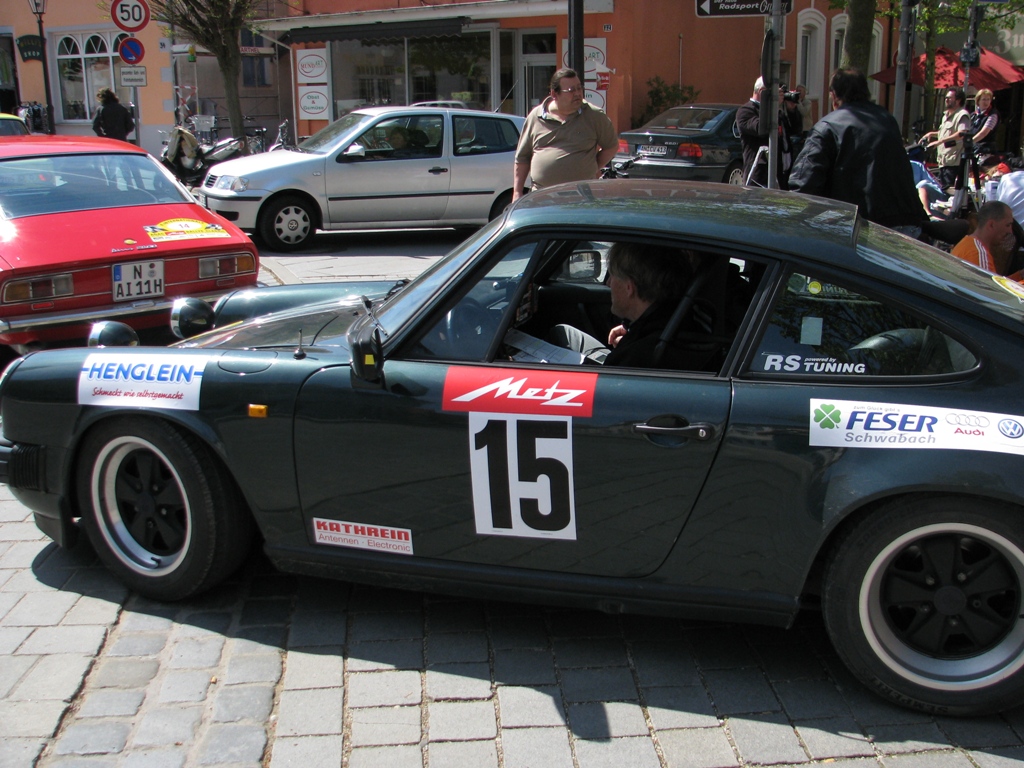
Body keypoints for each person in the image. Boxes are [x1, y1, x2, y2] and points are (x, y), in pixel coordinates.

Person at [788, 68, 927, 236]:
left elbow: (803, 185)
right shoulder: (887, 120)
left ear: (834, 95)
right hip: (907, 223)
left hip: (861, 228)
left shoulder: (827, 127)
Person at [549, 242, 713, 369]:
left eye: (612, 276)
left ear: (629, 288)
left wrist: (630, 344)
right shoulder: (683, 314)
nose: (608, 283)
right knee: (564, 332)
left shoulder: (636, 354)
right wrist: (632, 331)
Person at [512, 68, 618, 201]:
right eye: (571, 90)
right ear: (554, 94)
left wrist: (593, 166)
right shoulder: (536, 116)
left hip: (582, 198)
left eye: (579, 88)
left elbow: (611, 146)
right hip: (543, 197)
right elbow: (522, 158)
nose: (577, 93)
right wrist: (517, 192)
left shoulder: (594, 115)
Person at [736, 77, 795, 188]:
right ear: (762, 92)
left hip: (781, 174)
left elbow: (795, 130)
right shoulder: (745, 111)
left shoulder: (776, 112)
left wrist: (791, 109)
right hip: (759, 177)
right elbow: (760, 129)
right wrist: (773, 106)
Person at [951, 200, 1020, 278]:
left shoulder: (967, 243)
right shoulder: (979, 254)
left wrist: (1020, 275)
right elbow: (986, 285)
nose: (1010, 231)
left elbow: (992, 283)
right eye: (1007, 225)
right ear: (991, 225)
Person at [922, 88, 970, 191]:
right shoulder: (945, 116)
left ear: (958, 100)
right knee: (941, 189)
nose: (946, 100)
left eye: (949, 98)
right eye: (946, 98)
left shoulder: (962, 115)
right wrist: (931, 134)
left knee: (948, 191)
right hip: (943, 161)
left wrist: (939, 142)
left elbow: (962, 133)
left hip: (954, 162)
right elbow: (946, 133)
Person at [969, 88, 999, 159]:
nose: (986, 102)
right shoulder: (973, 115)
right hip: (973, 149)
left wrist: (968, 143)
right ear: (978, 101)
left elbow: (983, 133)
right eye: (984, 99)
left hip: (986, 151)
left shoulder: (993, 115)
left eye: (988, 99)